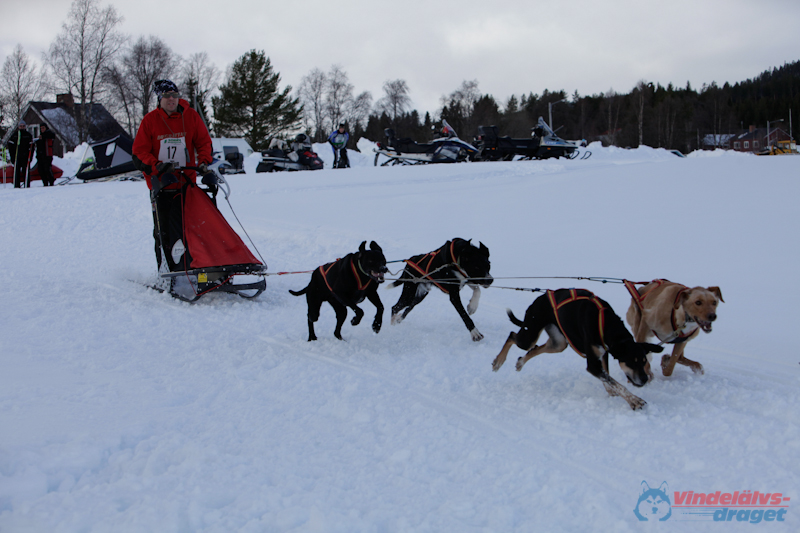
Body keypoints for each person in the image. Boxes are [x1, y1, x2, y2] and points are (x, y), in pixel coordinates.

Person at [132, 79, 213, 275]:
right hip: (161, 185)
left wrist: (203, 162)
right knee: (163, 231)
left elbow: (204, 142)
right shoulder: (150, 121)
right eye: (167, 96)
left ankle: (195, 264)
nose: (171, 99)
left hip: (187, 184)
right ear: (159, 99)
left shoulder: (190, 117)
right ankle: (166, 269)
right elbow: (139, 152)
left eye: (174, 95)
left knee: (192, 228)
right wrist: (157, 166)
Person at [6, 121, 33, 188]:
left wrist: (30, 157)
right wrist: (12, 157)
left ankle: (26, 185)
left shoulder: (28, 135)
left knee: (26, 171)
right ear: (18, 127)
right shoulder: (15, 135)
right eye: (20, 126)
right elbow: (10, 146)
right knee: (16, 172)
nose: (22, 127)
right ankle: (16, 185)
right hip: (17, 156)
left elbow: (32, 147)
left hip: (25, 156)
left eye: (23, 126)